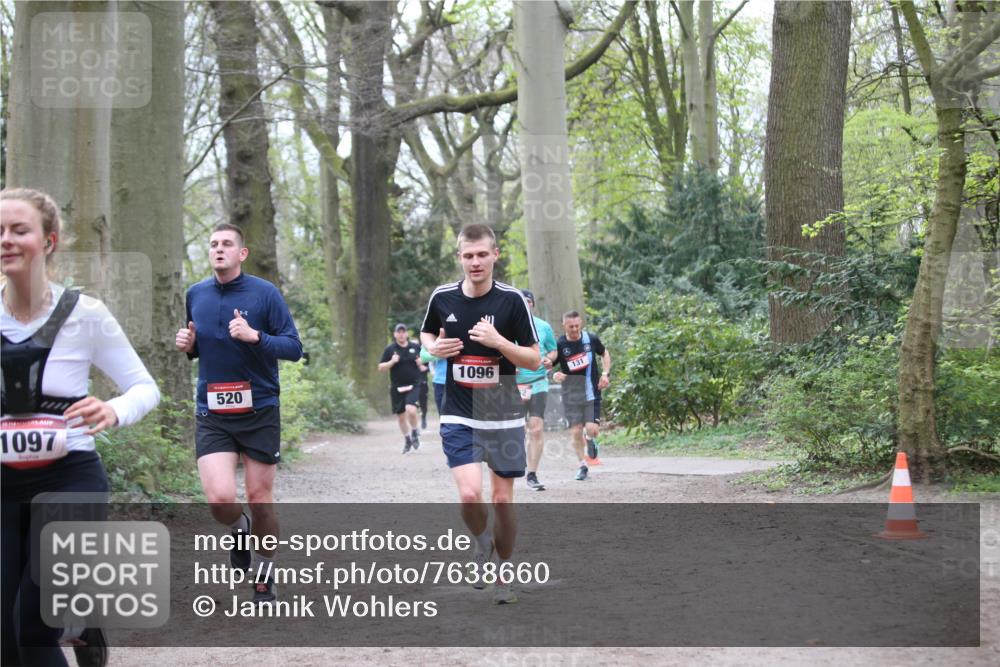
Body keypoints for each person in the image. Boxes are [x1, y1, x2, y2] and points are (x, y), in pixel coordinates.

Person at [2, 188, 160, 667]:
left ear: (49, 241)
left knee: (33, 620)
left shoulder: (85, 315)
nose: (6, 240)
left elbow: (144, 388)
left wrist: (112, 410)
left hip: (70, 476)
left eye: (19, 230)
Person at [175, 223, 302, 605]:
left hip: (260, 408)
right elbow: (202, 347)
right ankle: (238, 527)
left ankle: (264, 574)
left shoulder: (265, 294)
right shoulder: (195, 293)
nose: (219, 249)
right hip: (213, 410)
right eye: (213, 244)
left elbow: (293, 347)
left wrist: (256, 337)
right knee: (219, 499)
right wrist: (188, 346)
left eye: (227, 244)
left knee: (261, 498)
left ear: (241, 253)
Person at [420, 224, 539, 605]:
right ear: (459, 257)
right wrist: (435, 348)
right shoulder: (442, 297)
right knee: (471, 493)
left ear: (495, 256)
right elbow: (426, 336)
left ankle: (504, 572)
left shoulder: (512, 301)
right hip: (459, 412)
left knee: (502, 500)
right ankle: (480, 539)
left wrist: (499, 342)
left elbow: (534, 358)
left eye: (482, 254)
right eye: (468, 255)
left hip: (503, 414)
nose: (475, 262)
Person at [553, 310, 611, 481]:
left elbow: (604, 353)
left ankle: (590, 438)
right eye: (571, 326)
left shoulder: (590, 339)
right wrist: (555, 375)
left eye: (577, 325)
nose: (575, 329)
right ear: (564, 325)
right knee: (575, 431)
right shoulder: (560, 344)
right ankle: (582, 466)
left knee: (592, 430)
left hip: (591, 392)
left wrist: (605, 374)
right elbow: (552, 366)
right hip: (571, 395)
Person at [514, 290, 558, 491]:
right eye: (521, 302)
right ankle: (512, 467)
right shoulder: (507, 326)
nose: (525, 304)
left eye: (528, 301)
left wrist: (550, 359)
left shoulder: (543, 326)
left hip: (539, 381)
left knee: (537, 428)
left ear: (532, 305)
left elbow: (553, 350)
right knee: (514, 431)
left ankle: (532, 474)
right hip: (514, 384)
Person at [378, 323, 423, 453]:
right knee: (401, 417)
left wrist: (421, 362)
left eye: (403, 332)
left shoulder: (415, 347)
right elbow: (380, 367)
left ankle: (414, 431)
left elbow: (424, 361)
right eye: (399, 332)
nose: (401, 334)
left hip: (414, 384)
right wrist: (392, 362)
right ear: (395, 334)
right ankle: (408, 439)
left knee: (411, 410)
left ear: (407, 333)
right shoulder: (390, 349)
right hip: (397, 387)